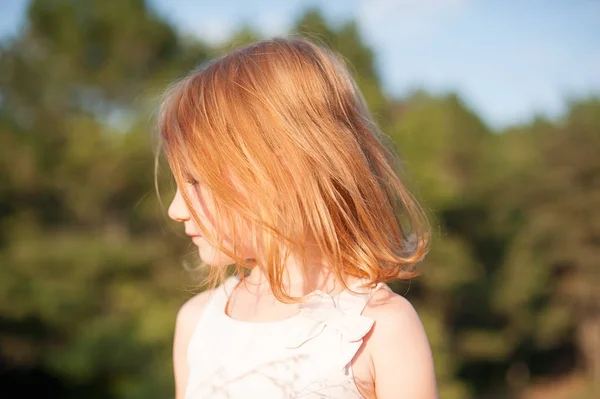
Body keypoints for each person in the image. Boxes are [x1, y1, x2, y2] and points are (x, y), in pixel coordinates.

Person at [159, 37, 438, 399]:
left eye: (196, 181)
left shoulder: (378, 329)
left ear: (285, 173)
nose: (176, 209)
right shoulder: (197, 322)